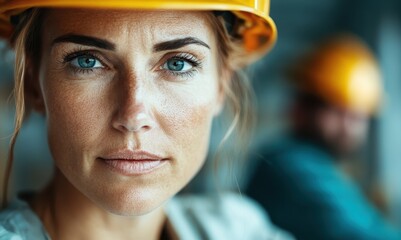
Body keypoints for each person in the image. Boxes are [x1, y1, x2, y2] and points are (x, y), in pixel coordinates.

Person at [0, 1, 293, 239]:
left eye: (178, 64)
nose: (133, 117)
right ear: (33, 84)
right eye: (87, 61)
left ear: (221, 86)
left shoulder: (241, 230)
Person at [246, 35, 401, 240]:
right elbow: (361, 235)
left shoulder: (317, 166)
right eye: (337, 112)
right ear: (301, 109)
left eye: (357, 116)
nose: (349, 128)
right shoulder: (290, 166)